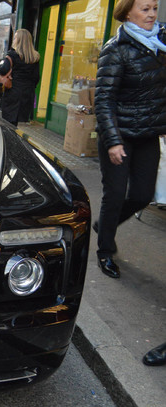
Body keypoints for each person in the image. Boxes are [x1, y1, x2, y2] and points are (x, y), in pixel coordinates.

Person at [93, 0, 166, 278]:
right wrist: (113, 141)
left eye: (154, 9)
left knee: (142, 195)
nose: (151, 15)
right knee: (114, 195)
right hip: (119, 135)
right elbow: (104, 100)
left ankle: (105, 225)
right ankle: (105, 250)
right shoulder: (116, 50)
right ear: (127, 13)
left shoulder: (160, 44)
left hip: (147, 134)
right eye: (144, 9)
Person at [0, 29, 40, 127]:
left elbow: (3, 70)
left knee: (7, 123)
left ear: (19, 40)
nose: (14, 40)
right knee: (16, 123)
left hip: (13, 92)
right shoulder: (35, 57)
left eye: (15, 38)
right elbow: (36, 77)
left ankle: (9, 141)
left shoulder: (12, 55)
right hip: (26, 94)